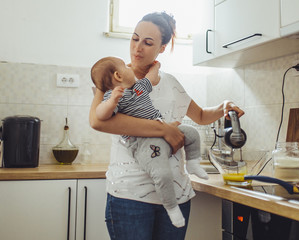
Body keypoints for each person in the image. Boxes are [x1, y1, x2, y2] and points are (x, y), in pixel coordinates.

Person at [89, 12, 244, 240]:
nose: (137, 48)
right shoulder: (112, 78)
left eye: (148, 42)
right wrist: (164, 129)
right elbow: (98, 122)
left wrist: (223, 106)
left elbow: (200, 115)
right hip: (130, 197)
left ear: (162, 47)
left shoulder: (170, 82)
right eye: (134, 38)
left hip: (177, 194)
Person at [90, 56, 208, 228]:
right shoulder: (114, 96)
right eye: (125, 66)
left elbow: (151, 79)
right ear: (118, 75)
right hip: (143, 143)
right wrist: (111, 102)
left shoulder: (138, 88)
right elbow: (100, 116)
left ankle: (193, 163)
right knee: (162, 173)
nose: (129, 67)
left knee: (192, 134)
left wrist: (156, 65)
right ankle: (172, 207)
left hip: (162, 129)